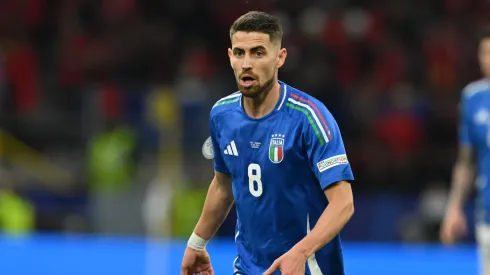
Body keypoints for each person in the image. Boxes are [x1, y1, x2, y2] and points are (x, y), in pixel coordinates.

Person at [181, 11, 355, 275]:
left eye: (258, 52)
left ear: (280, 57)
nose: (247, 63)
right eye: (239, 53)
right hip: (249, 268)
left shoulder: (309, 118)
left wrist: (301, 252)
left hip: (307, 269)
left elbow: (344, 203)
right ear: (230, 57)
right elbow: (223, 184)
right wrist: (197, 242)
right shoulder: (222, 115)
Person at [440, 30, 490, 275]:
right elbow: (465, 161)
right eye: (485, 52)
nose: (488, 59)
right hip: (487, 212)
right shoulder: (473, 97)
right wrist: (454, 208)